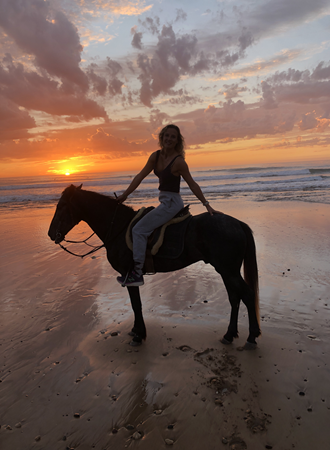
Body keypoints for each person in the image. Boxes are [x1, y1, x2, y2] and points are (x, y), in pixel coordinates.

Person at [116, 124, 220, 287]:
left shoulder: (179, 162)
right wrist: (125, 195)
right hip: (164, 201)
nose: (169, 139)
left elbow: (192, 184)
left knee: (138, 229)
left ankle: (137, 272)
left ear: (177, 141)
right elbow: (139, 176)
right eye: (167, 136)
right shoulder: (155, 157)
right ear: (162, 137)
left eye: (173, 137)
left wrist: (207, 205)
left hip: (172, 204)